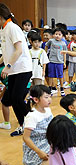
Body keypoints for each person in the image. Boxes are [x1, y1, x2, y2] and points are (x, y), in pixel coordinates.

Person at [0, 3, 33, 136]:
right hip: (13, 70)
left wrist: (7, 66)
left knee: (18, 98)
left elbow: (19, 50)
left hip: (22, 68)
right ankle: (23, 125)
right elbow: (7, 53)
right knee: (13, 99)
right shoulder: (3, 29)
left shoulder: (12, 28)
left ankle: (33, 123)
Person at [23, 85, 53, 165]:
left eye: (50, 96)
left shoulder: (48, 110)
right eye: (46, 97)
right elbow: (26, 138)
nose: (50, 99)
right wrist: (39, 152)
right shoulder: (32, 116)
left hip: (48, 141)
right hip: (36, 147)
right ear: (36, 100)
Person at [45, 27, 67, 96]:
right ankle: (50, 89)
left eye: (59, 34)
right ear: (53, 35)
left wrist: (64, 62)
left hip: (60, 62)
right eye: (56, 34)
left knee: (60, 76)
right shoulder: (51, 41)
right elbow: (46, 46)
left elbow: (64, 53)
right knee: (50, 76)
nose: (57, 35)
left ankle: (62, 89)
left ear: (62, 36)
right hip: (51, 61)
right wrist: (45, 55)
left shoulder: (63, 43)